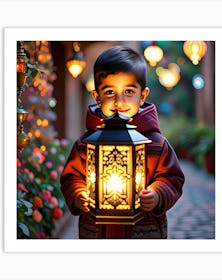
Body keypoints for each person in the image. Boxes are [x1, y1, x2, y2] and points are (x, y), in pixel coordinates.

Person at [60, 45, 185, 239]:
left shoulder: (156, 144)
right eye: (110, 92)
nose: (119, 101)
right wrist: (78, 194)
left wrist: (158, 194)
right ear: (97, 97)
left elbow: (173, 178)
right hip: (97, 232)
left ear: (142, 96)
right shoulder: (86, 144)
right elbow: (71, 177)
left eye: (128, 91)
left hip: (142, 233)